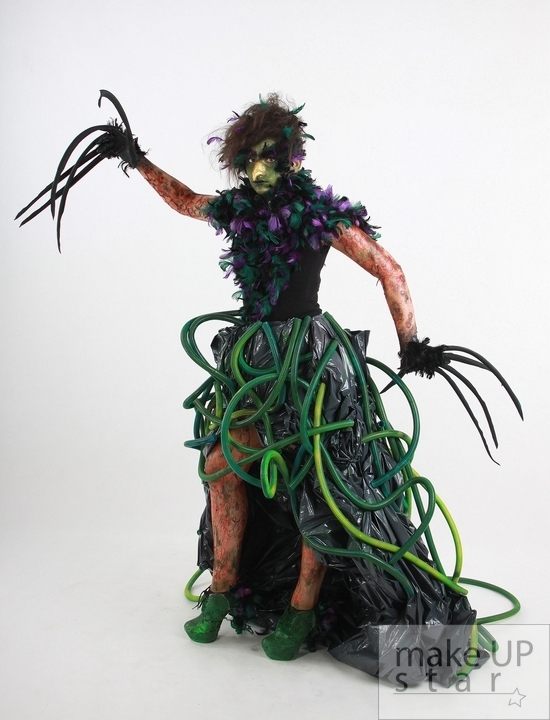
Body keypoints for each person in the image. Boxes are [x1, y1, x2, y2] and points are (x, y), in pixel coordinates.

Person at [17, 91, 522, 683]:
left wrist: (412, 344)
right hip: (254, 357)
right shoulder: (237, 210)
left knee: (317, 482)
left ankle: (303, 611)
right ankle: (223, 588)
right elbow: (187, 202)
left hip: (311, 362)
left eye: (270, 158)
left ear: (293, 160)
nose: (259, 170)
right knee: (221, 462)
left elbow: (389, 268)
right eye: (249, 159)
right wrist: (139, 160)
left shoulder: (318, 215)